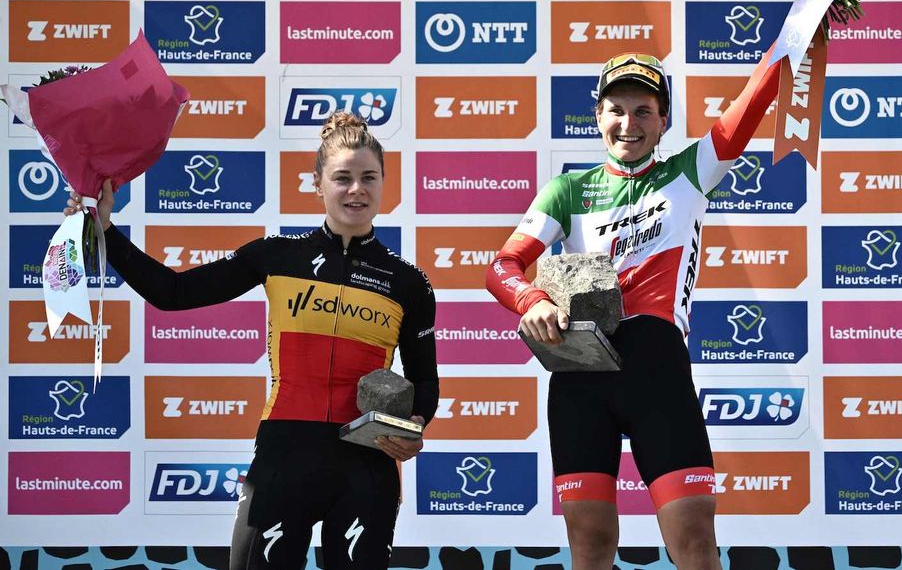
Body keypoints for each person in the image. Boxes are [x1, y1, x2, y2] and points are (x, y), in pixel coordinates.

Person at [66, 111, 438, 570]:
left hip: (367, 464)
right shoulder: (276, 256)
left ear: (384, 183)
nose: (356, 189)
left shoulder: (409, 282)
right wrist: (106, 232)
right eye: (342, 177)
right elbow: (174, 293)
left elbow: (425, 381)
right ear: (317, 182)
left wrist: (414, 429)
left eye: (368, 177)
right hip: (284, 455)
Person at [486, 50, 786, 570]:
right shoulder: (567, 190)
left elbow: (753, 102)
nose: (629, 124)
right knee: (590, 544)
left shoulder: (691, 171)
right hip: (582, 374)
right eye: (616, 109)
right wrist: (531, 301)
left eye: (644, 110)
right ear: (598, 116)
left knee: (693, 541)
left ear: (664, 119)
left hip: (656, 367)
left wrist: (803, 20)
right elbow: (503, 266)